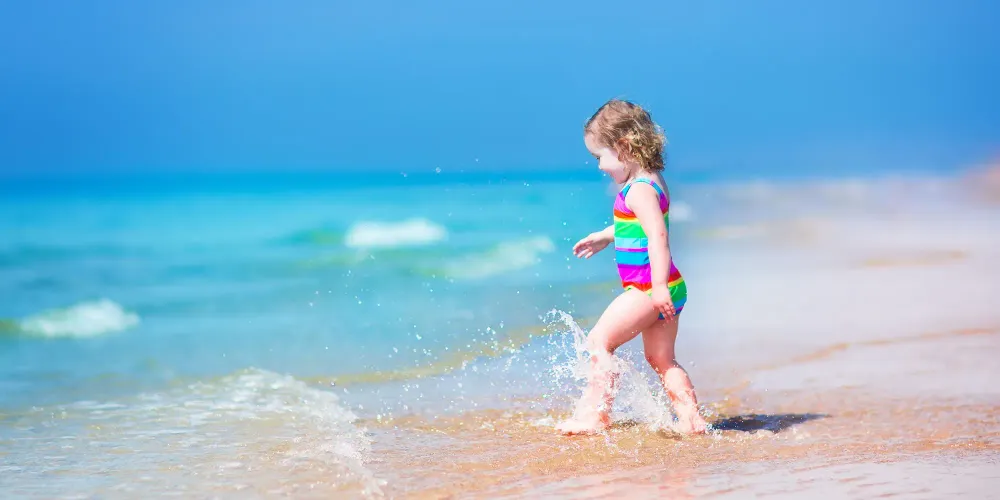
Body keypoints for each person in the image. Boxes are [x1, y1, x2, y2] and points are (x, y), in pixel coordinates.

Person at [556, 99, 708, 435]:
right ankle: (691, 419)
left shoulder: (638, 190)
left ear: (623, 147)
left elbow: (657, 236)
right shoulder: (652, 181)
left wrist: (655, 289)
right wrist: (606, 235)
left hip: (647, 289)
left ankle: (595, 416)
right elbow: (637, 226)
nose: (598, 167)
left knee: (599, 343)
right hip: (669, 286)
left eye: (600, 156)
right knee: (662, 359)